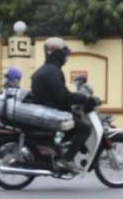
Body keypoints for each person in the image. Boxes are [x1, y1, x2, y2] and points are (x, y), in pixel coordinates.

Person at [28, 37, 98, 166]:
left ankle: (59, 150)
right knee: (85, 129)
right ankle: (67, 159)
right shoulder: (53, 72)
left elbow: (57, 95)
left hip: (46, 112)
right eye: (64, 53)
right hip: (52, 114)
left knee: (74, 121)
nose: (66, 56)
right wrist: (84, 99)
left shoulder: (44, 70)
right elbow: (62, 96)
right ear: (56, 53)